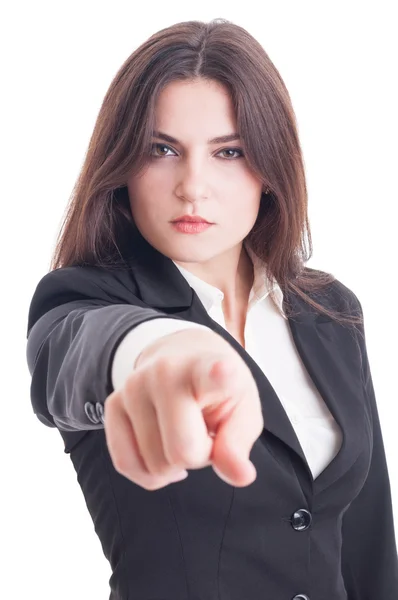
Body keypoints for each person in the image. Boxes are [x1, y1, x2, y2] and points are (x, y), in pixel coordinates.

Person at [25, 17, 398, 600]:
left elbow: (369, 539)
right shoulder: (85, 298)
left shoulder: (330, 310)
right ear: (124, 167)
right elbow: (74, 354)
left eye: (229, 151)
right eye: (162, 149)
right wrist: (155, 349)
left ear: (270, 170)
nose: (192, 186)